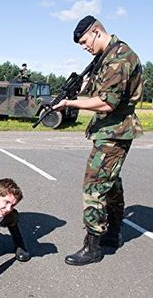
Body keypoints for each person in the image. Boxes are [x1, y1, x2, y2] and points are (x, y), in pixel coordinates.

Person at [53, 15, 143, 266]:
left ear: (96, 31)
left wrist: (70, 103)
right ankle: (113, 233)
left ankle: (93, 245)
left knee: (94, 185)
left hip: (115, 131)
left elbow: (107, 102)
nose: (84, 47)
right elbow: (94, 88)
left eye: (84, 41)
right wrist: (75, 89)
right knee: (110, 184)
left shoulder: (120, 58)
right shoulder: (104, 58)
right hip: (109, 131)